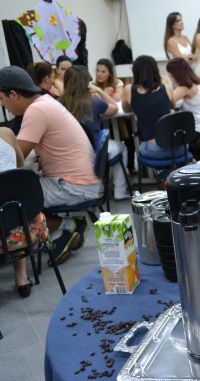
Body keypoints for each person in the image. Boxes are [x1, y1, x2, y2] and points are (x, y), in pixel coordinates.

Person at [0, 66, 101, 264]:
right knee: (21, 189)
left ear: (13, 94)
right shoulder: (45, 102)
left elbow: (16, 157)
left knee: (12, 201)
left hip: (74, 185)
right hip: (82, 180)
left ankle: (66, 226)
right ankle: (67, 228)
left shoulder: (36, 111)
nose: (4, 106)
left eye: (2, 99)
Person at [60, 65, 130, 200]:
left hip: (70, 154)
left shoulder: (58, 103)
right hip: (94, 152)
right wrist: (99, 90)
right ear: (87, 83)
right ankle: (120, 190)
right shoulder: (93, 101)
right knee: (121, 147)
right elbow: (114, 108)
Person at [0, 127, 48, 298]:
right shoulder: (6, 134)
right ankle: (21, 277)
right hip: (23, 225)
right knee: (13, 206)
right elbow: (19, 169)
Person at [123, 56, 179, 161]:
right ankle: (166, 169)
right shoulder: (167, 88)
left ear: (135, 71)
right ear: (156, 70)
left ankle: (160, 170)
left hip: (154, 150)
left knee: (142, 147)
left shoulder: (129, 89)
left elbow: (126, 109)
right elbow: (173, 107)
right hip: (179, 147)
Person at [166, 57, 200, 160]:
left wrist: (166, 86)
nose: (169, 77)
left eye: (169, 74)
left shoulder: (185, 87)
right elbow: (178, 103)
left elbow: (168, 102)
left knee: (173, 133)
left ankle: (179, 162)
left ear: (175, 74)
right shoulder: (197, 83)